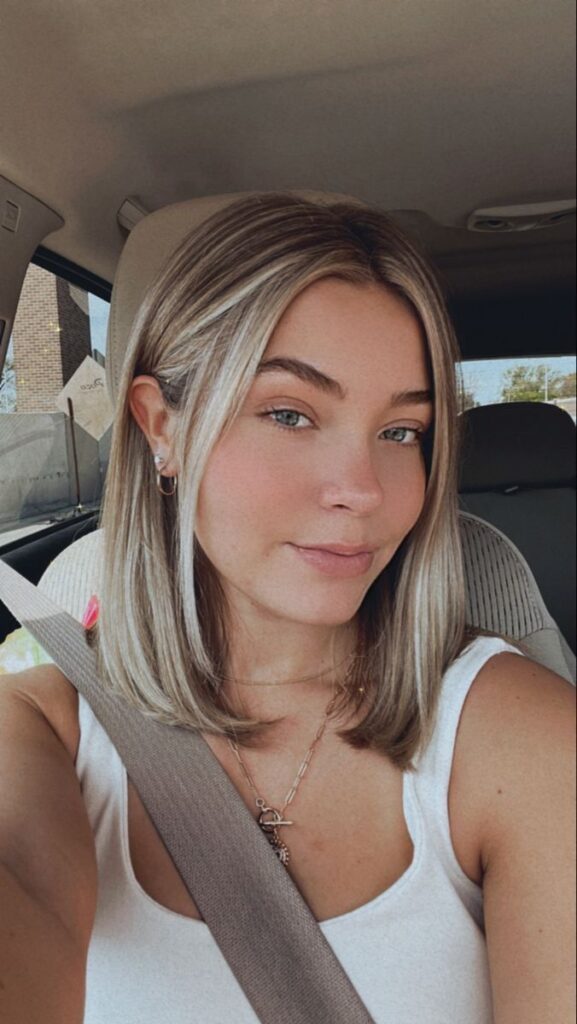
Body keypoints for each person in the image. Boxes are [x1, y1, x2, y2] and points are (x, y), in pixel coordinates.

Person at [0, 193, 574, 1024]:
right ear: (160, 426)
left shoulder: (515, 733)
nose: (362, 491)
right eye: (289, 414)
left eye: (402, 431)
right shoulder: (41, 731)